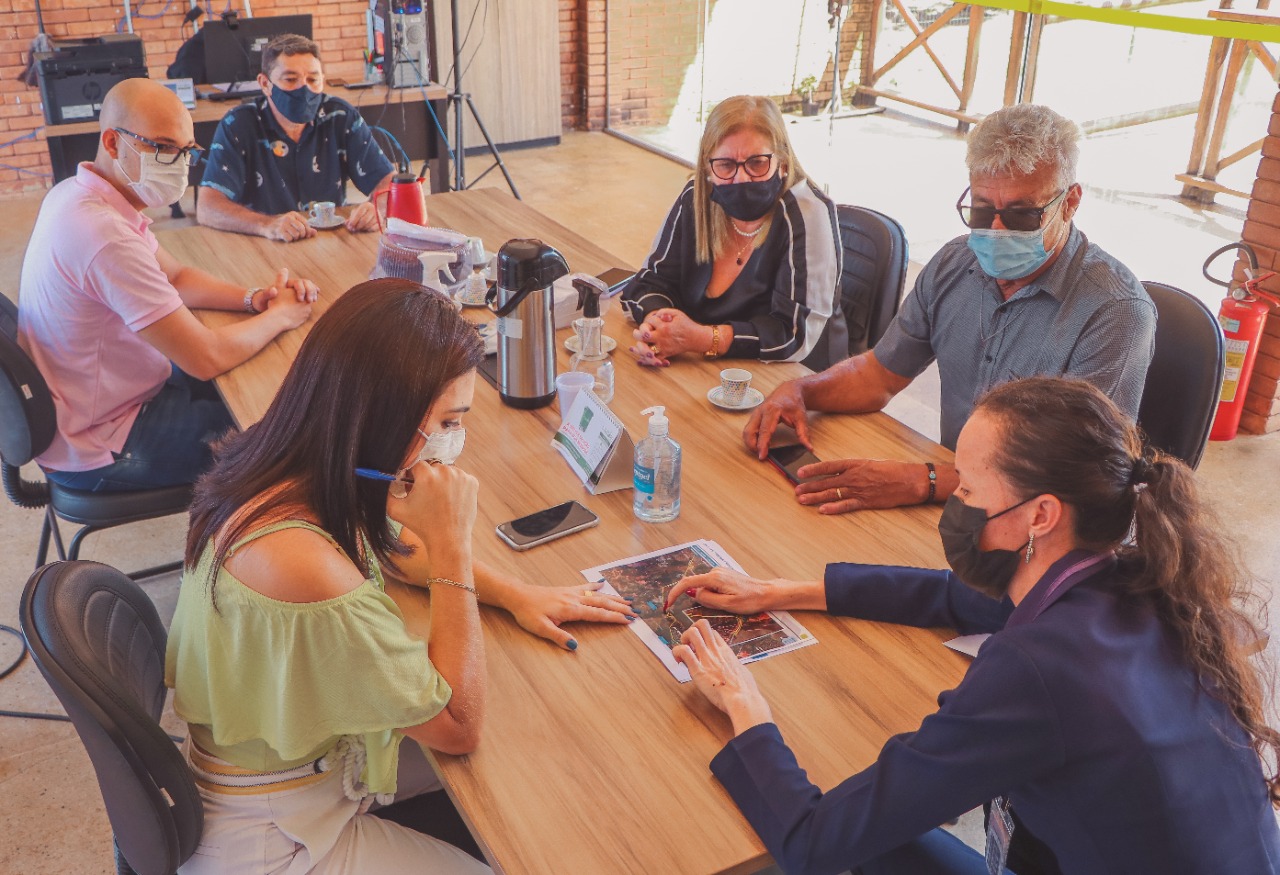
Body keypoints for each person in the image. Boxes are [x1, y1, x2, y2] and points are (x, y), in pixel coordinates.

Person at [670, 377, 1280, 875]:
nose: (954, 502)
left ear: (1040, 514)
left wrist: (745, 706)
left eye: (967, 488)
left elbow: (813, 844)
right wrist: (785, 591)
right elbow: (959, 598)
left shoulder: (1037, 669)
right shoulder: (1133, 579)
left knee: (851, 836)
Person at [167, 280, 636, 873]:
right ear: (381, 417)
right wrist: (453, 545)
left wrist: (517, 594)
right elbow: (457, 726)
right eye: (444, 420)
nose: (448, 442)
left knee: (530, 750)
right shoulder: (304, 566)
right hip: (273, 835)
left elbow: (392, 551)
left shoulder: (288, 459)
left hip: (282, 760)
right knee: (516, 788)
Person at [744, 104, 1156, 514]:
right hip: (957, 497)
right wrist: (800, 390)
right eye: (981, 209)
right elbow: (878, 376)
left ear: (1070, 203)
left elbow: (1076, 474)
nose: (996, 230)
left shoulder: (1115, 312)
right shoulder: (955, 264)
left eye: (1023, 214)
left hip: (1046, 519)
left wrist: (920, 480)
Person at [17, 78, 316, 493]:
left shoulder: (81, 194)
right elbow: (204, 358)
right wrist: (282, 316)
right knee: (294, 439)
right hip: (104, 442)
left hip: (98, 405)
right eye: (161, 147)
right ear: (112, 142)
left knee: (265, 395)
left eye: (185, 150)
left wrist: (254, 299)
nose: (176, 162)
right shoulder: (102, 235)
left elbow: (174, 277)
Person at [621, 95, 845, 370]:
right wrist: (658, 327)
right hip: (709, 369)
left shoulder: (808, 213)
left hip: (793, 376)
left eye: (757, 163)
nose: (741, 178)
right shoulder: (697, 199)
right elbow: (651, 282)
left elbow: (794, 335)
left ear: (783, 163)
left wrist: (702, 339)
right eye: (725, 165)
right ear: (708, 167)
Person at [198, 33, 396, 242]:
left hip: (328, 242)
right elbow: (207, 207)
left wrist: (376, 208)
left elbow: (388, 180)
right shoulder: (239, 124)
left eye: (313, 79)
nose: (304, 89)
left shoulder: (339, 116)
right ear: (265, 84)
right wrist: (267, 225)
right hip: (263, 244)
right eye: (291, 79)